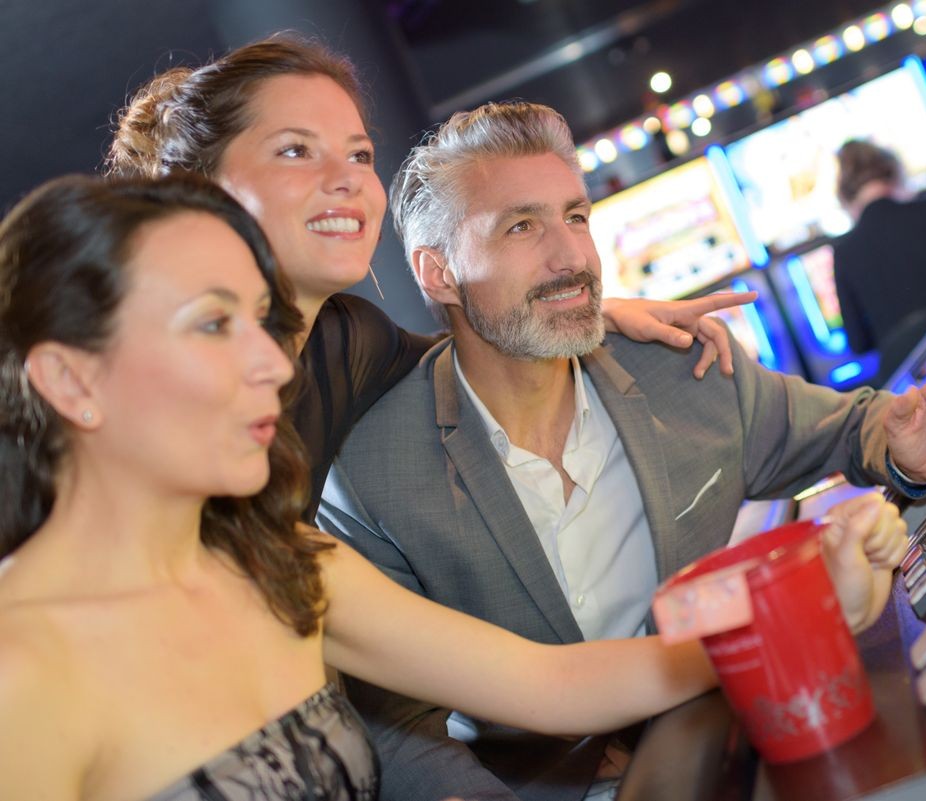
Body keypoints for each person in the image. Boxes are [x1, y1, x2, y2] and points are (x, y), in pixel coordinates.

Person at [319, 102, 926, 801]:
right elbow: (395, 724)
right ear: (438, 271)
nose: (568, 256)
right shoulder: (372, 470)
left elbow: (854, 428)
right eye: (521, 226)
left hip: (743, 752)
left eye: (575, 216)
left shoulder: (683, 370)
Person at [0, 173, 829, 800]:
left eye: (264, 322)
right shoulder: (20, 670)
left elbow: (550, 683)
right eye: (214, 324)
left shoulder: (284, 565)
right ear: (71, 381)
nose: (269, 361)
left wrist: (799, 606)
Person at [105, 35, 753, 522]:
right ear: (197, 188)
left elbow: (480, 340)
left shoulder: (347, 339)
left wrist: (594, 309)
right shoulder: (146, 382)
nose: (349, 177)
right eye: (296, 150)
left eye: (359, 154)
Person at [831, 139, 926, 385]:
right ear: (893, 172)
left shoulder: (843, 252)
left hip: (913, 384)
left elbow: (858, 343)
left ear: (845, 194)